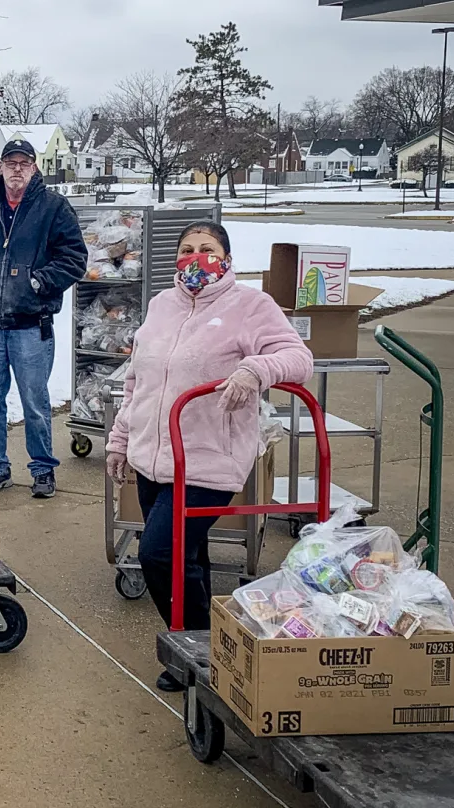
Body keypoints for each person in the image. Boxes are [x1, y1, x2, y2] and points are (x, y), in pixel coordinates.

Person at [104, 221, 312, 691]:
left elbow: (298, 357)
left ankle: (199, 654)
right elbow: (138, 381)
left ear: (228, 258)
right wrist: (119, 439)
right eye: (186, 249)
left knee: (158, 555)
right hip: (154, 459)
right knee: (187, 557)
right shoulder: (161, 305)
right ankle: (210, 652)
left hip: (208, 460)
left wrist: (256, 368)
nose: (195, 258)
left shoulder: (250, 306)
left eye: (207, 249)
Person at [0, 138, 88, 498]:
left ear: (34, 167)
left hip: (32, 326)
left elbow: (75, 258)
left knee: (34, 401)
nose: (17, 168)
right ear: (0, 166)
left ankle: (43, 469)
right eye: (10, 162)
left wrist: (39, 280)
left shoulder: (53, 208)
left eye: (24, 162)